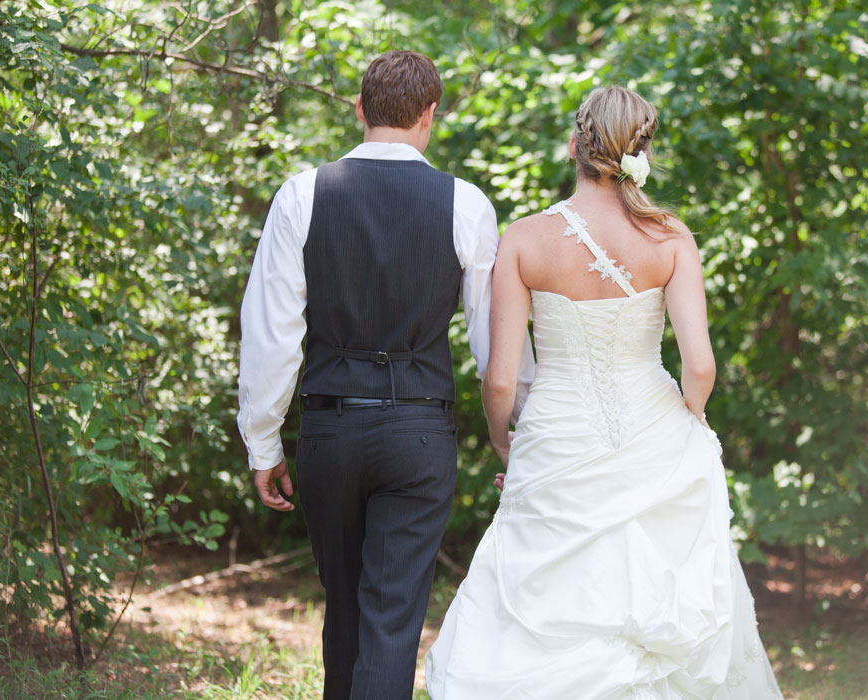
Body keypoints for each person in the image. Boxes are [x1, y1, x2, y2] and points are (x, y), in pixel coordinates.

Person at [425, 86, 784, 699]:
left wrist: (502, 439)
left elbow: (501, 379)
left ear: (574, 144)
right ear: (641, 151)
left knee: (549, 606)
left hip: (557, 435)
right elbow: (699, 366)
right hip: (653, 430)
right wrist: (686, 424)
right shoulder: (671, 239)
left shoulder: (525, 239)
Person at [236, 50, 533, 700]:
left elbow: (271, 336)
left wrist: (263, 442)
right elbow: (496, 347)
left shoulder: (303, 192)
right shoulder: (466, 204)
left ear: (361, 109)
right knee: (391, 621)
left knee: (344, 611)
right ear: (430, 116)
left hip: (329, 434)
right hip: (419, 436)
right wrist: (522, 434)